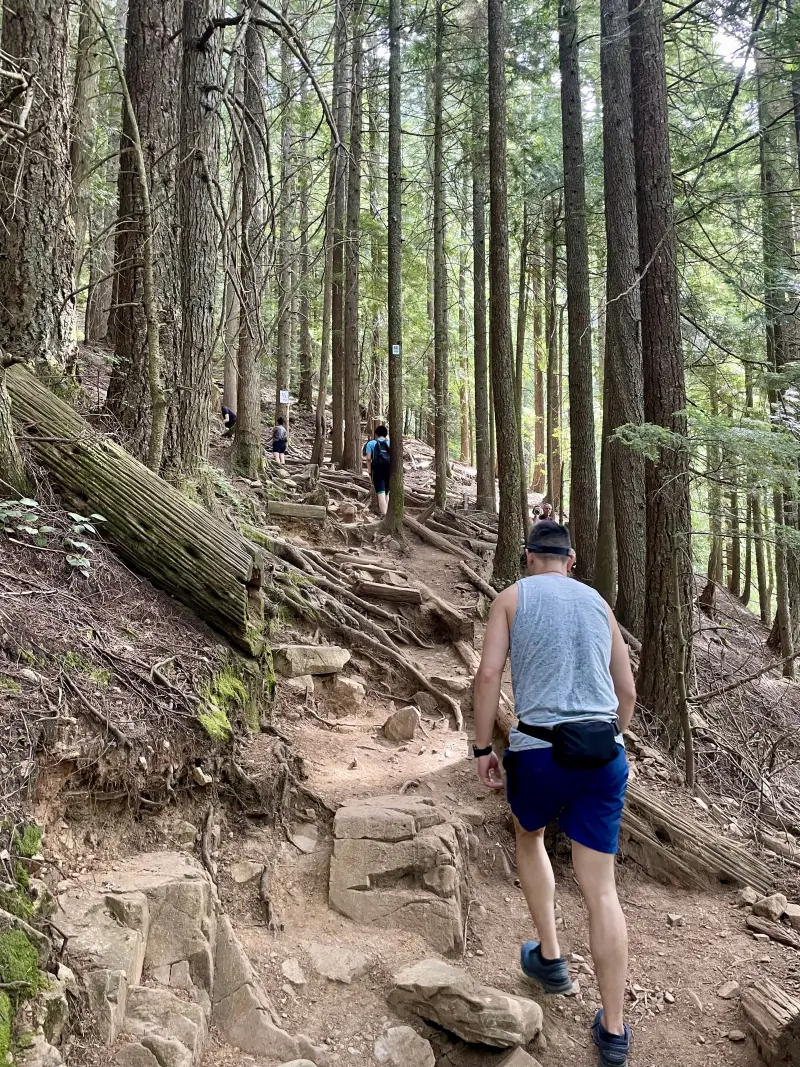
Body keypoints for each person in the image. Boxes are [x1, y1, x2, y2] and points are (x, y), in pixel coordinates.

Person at [473, 520, 636, 1067]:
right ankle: (613, 1032)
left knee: (530, 833)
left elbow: (489, 676)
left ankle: (550, 957)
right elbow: (627, 690)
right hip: (602, 756)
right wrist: (611, 737)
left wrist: (481, 750)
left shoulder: (510, 599)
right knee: (603, 891)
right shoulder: (598, 603)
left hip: (538, 754)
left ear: (527, 558)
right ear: (570, 562)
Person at [365, 424, 391, 516]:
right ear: (386, 434)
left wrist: (369, 472)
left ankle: (384, 515)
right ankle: (388, 515)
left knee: (381, 493)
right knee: (387, 493)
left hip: (377, 470)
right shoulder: (390, 443)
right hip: (389, 470)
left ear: (376, 434)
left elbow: (368, 459)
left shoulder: (371, 443)